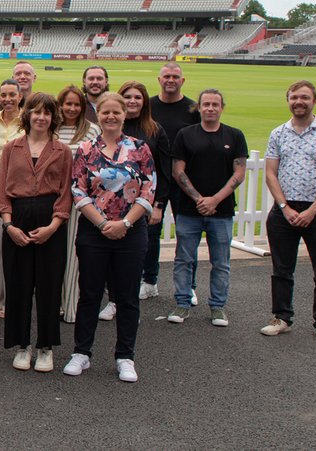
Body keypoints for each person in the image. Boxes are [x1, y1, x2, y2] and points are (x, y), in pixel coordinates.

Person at [64, 92, 155, 383]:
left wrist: (125, 223)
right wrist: (103, 223)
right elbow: (78, 190)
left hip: (131, 231)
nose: (111, 117)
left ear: (124, 114)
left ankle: (125, 356)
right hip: (94, 230)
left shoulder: (140, 149)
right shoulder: (87, 149)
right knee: (89, 294)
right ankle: (82, 352)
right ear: (98, 115)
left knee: (127, 297)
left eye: (116, 112)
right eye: (105, 113)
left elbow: (148, 190)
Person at [260, 80, 316, 344]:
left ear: (314, 101)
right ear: (288, 100)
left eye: (305, 98)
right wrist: (284, 206)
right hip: (285, 209)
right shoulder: (278, 134)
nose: (299, 102)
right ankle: (281, 317)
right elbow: (271, 173)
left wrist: (313, 210)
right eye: (294, 97)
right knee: (281, 269)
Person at [0, 93, 73, 373]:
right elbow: (3, 191)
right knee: (18, 286)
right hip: (17, 218)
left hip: (49, 219)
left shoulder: (62, 151)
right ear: (27, 115)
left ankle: (45, 346)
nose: (41, 117)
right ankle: (22, 345)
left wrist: (53, 226)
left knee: (49, 287)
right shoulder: (11, 148)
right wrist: (9, 225)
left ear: (53, 118)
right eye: (36, 112)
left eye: (47, 113)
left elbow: (65, 193)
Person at [168, 89, 247, 327]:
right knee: (184, 258)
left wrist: (214, 200)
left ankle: (218, 307)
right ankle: (182, 303)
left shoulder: (234, 135)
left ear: (222, 107)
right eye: (206, 104)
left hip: (221, 212)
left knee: (221, 262)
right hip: (189, 210)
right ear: (199, 108)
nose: (210, 108)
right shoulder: (186, 134)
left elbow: (239, 173)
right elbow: (177, 170)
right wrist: (199, 199)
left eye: (215, 104)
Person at [105, 81, 171, 319]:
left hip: (144, 203)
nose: (133, 101)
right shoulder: (110, 130)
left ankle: (144, 284)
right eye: (128, 97)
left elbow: (162, 171)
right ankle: (114, 299)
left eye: (138, 97)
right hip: (112, 205)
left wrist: (158, 205)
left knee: (142, 249)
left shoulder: (154, 131)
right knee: (112, 255)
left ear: (145, 102)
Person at [148, 62, 201, 300]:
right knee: (150, 233)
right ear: (159, 80)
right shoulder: (147, 107)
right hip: (154, 180)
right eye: (166, 76)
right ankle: (149, 280)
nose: (171, 80)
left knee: (187, 234)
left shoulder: (193, 109)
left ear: (182, 80)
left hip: (183, 180)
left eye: (175, 76)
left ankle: (189, 285)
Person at [57, 85, 100, 324]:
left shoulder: (92, 131)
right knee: (54, 255)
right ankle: (54, 303)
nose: (71, 108)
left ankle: (71, 306)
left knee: (73, 255)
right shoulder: (52, 129)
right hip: (52, 199)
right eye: (67, 104)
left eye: (76, 104)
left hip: (78, 201)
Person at [0, 79, 25, 318]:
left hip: (21, 183)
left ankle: (17, 297)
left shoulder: (29, 120)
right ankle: (0, 299)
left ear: (20, 96)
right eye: (4, 95)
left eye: (12, 94)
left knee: (18, 240)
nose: (8, 99)